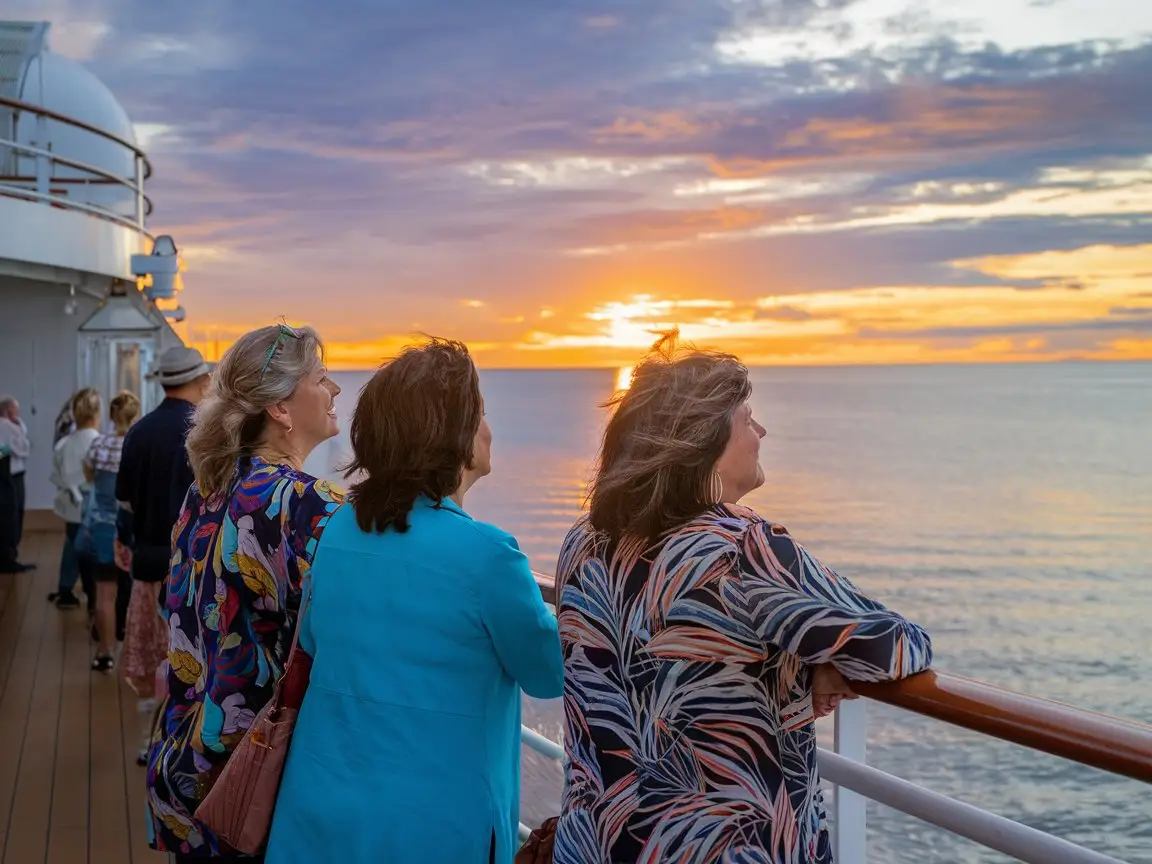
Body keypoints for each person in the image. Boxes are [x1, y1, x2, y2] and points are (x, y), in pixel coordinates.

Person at [552, 333, 934, 864]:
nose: (761, 431)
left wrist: (803, 662)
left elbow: (673, 654)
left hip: (597, 842)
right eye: (746, 419)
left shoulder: (584, 540)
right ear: (704, 440)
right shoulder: (741, 548)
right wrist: (819, 660)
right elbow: (895, 646)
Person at [266, 338, 563, 864]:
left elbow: (313, 639)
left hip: (319, 812)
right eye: (481, 415)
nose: (489, 430)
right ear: (453, 437)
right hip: (432, 828)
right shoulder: (490, 556)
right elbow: (546, 672)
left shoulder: (337, 532)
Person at [145, 324, 344, 862]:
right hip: (253, 783)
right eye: (322, 379)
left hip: (190, 759)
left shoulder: (206, 491)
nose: (337, 391)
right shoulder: (307, 505)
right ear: (282, 406)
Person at [116, 345, 212, 587]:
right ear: (202, 380)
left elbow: (124, 500)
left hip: (147, 562)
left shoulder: (137, 431)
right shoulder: (205, 433)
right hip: (193, 565)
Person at [80, 391, 141, 672]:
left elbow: (89, 478)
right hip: (135, 529)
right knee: (141, 592)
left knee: (104, 592)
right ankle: (136, 653)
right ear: (136, 415)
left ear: (111, 415)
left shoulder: (98, 445)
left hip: (103, 526)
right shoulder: (139, 444)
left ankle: (105, 653)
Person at [49, 388, 102, 610]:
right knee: (93, 552)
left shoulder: (64, 444)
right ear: (96, 414)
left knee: (72, 544)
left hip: (71, 505)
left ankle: (65, 587)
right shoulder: (99, 442)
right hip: (96, 507)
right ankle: (93, 593)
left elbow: (56, 476)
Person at [0, 396, 34, 572]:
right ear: (9, 410)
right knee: (10, 516)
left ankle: (10, 556)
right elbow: (22, 448)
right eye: (16, 410)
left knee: (14, 514)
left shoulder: (11, 426)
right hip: (9, 477)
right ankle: (7, 559)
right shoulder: (5, 426)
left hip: (14, 474)